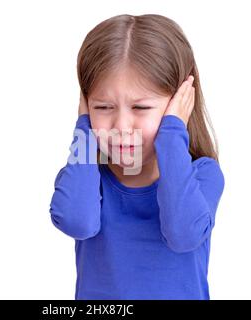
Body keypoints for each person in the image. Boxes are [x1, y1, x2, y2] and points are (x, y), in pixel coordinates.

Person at [49, 13, 225, 300]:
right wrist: (83, 128)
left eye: (141, 108)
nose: (121, 127)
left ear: (180, 104)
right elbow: (77, 221)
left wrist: (172, 133)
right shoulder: (85, 175)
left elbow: (183, 234)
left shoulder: (203, 174)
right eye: (103, 107)